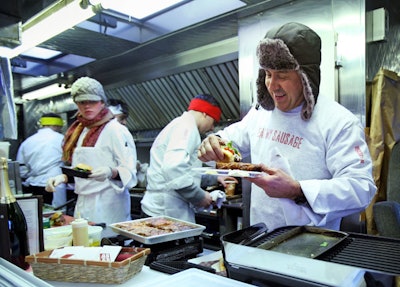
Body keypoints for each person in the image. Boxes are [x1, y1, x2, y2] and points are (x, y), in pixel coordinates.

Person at [197, 22, 377, 231]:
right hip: (261, 241)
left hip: (312, 246)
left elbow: (361, 189)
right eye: (268, 74)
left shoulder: (338, 122)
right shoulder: (261, 113)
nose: (272, 86)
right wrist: (214, 142)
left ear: (305, 78)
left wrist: (297, 190)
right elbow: (230, 140)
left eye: (282, 76)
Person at [45, 77, 137, 235]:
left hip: (109, 204)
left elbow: (129, 171)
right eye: (82, 102)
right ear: (75, 103)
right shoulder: (79, 131)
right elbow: (83, 170)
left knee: (106, 248)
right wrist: (65, 178)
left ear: (102, 102)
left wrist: (111, 171)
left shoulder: (115, 130)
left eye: (92, 101)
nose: (87, 106)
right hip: (83, 203)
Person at [141, 94, 229, 222]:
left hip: (156, 209)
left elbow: (186, 171)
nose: (212, 128)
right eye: (214, 121)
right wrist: (200, 196)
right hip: (164, 214)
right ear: (205, 113)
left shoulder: (178, 124)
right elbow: (174, 169)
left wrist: (215, 178)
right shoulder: (186, 128)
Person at [17, 113, 66, 207]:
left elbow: (22, 169)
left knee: (39, 214)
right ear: (57, 125)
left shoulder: (27, 142)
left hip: (34, 186)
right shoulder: (62, 139)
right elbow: (69, 161)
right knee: (57, 215)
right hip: (55, 185)